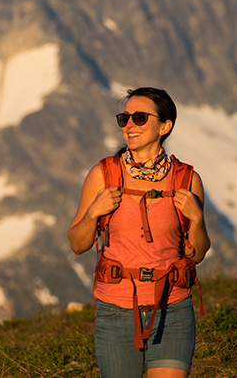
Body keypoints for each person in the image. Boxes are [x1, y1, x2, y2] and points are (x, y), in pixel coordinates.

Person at [67, 87, 210, 378]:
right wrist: (94, 212)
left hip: (173, 307)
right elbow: (77, 244)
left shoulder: (186, 179)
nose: (129, 125)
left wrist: (197, 219)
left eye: (140, 117)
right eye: (125, 118)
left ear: (165, 126)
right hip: (116, 309)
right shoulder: (103, 174)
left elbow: (198, 253)